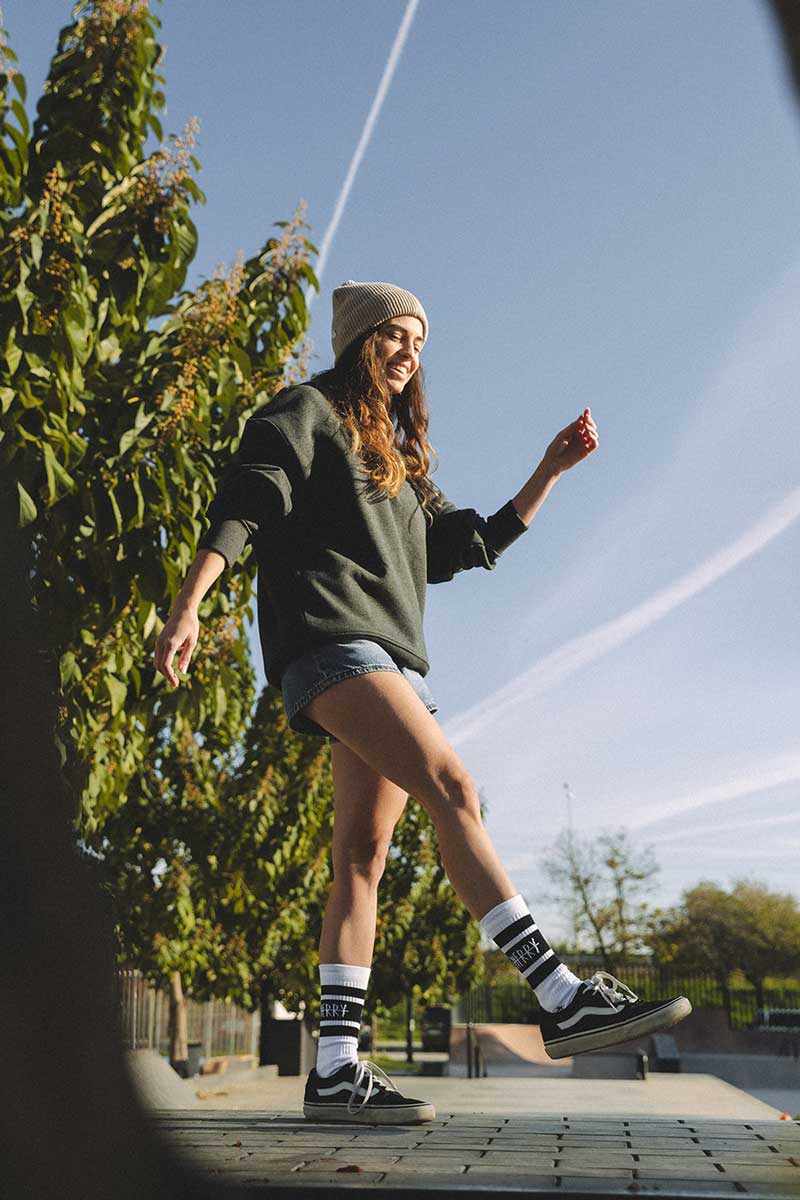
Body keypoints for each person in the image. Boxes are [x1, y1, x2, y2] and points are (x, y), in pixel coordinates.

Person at [154, 280, 690, 1126]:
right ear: (358, 340)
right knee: (454, 789)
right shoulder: (304, 412)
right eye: (394, 336)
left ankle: (336, 1069)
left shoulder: (396, 463)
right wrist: (190, 603)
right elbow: (247, 503)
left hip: (390, 665)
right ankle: (559, 994)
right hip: (332, 642)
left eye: (418, 342)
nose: (408, 353)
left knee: (361, 859)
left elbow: (464, 546)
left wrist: (548, 472)